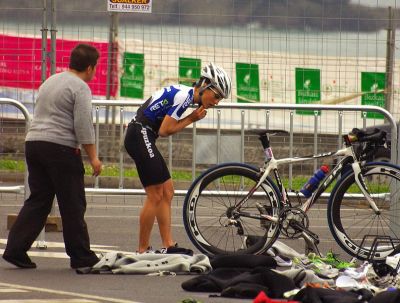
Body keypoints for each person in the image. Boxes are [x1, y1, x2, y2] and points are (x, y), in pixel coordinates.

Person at [3, 44, 102, 269]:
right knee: (72, 202)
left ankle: (15, 250)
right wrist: (94, 157)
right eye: (95, 68)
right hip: (61, 148)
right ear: (89, 67)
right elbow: (83, 125)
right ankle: (81, 255)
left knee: (38, 200)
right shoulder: (81, 87)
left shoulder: (51, 80)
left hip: (34, 143)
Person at [124, 62, 232, 253]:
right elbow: (165, 130)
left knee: (167, 191)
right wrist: (191, 119)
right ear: (205, 85)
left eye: (220, 99)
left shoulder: (187, 95)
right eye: (216, 96)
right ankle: (142, 249)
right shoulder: (185, 96)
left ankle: (168, 244)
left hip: (143, 134)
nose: (216, 102)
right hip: (140, 133)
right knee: (155, 194)